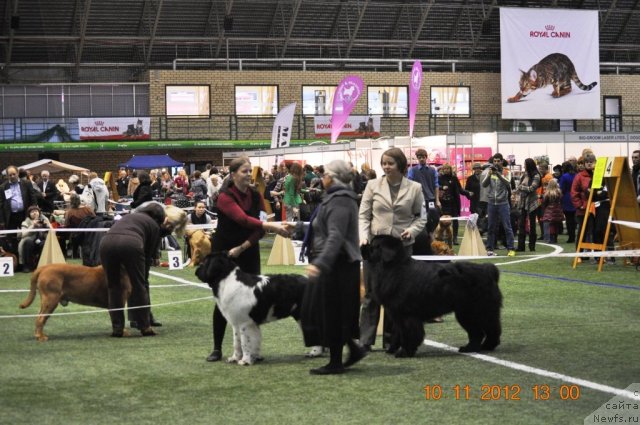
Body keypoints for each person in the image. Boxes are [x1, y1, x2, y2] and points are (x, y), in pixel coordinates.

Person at [206, 156, 294, 362]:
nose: (249, 174)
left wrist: (244, 246)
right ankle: (217, 348)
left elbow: (258, 225)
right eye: (245, 171)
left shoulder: (256, 195)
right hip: (224, 254)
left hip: (247, 250)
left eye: (250, 170)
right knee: (223, 301)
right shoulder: (224, 196)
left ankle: (252, 351)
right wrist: (274, 227)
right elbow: (243, 219)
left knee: (253, 301)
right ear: (233, 173)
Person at [301, 159, 366, 375]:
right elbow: (324, 230)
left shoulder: (340, 200)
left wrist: (320, 264)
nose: (322, 177)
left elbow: (336, 236)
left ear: (334, 177)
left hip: (339, 263)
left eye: (326, 173)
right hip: (335, 262)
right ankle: (351, 350)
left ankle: (336, 362)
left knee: (333, 313)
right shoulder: (334, 198)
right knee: (331, 313)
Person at [359, 148, 426, 352]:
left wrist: (412, 231)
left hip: (401, 249)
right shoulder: (372, 185)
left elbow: (420, 217)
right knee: (371, 294)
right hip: (375, 248)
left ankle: (391, 339)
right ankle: (365, 340)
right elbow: (363, 215)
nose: (386, 167)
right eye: (384, 163)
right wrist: (363, 236)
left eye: (390, 163)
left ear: (401, 165)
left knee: (395, 296)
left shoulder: (415, 188)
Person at [99, 202, 187, 337]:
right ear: (160, 217)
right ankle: (145, 326)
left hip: (106, 243)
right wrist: (143, 277)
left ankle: (117, 328)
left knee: (114, 286)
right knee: (140, 285)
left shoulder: (130, 216)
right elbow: (147, 256)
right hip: (131, 243)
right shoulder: (153, 225)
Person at [0, 165, 39, 258]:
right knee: (11, 239)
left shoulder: (27, 183)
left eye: (14, 174)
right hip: (10, 217)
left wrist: (34, 213)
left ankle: (26, 262)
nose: (12, 176)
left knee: (26, 237)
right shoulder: (2, 187)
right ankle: (15, 260)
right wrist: (1, 221)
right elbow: (0, 205)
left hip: (25, 215)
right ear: (7, 176)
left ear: (17, 173)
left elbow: (33, 199)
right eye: (10, 175)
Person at [482, 154, 516, 257]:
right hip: (492, 202)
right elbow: (484, 184)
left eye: (498, 161)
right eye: (494, 161)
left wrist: (498, 174)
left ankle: (511, 249)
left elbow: (507, 183)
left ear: (502, 161)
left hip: (503, 203)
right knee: (491, 227)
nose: (496, 163)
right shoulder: (490, 171)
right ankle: (490, 249)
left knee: (507, 226)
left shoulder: (506, 172)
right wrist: (489, 174)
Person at [437, 163, 470, 245]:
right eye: (444, 169)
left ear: (450, 169)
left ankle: (454, 238)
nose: (446, 170)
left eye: (447, 169)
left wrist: (468, 193)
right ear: (442, 170)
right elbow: (436, 187)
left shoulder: (454, 178)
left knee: (455, 221)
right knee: (443, 221)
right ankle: (441, 237)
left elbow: (460, 189)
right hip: (443, 203)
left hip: (454, 203)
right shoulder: (439, 178)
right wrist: (442, 187)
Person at [515, 158, 541, 252]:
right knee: (521, 225)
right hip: (523, 202)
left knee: (532, 226)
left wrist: (522, 187)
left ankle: (532, 247)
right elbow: (520, 187)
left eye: (525, 164)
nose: (524, 166)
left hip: (532, 203)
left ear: (529, 165)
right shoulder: (525, 174)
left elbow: (532, 188)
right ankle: (521, 247)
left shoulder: (536, 175)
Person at [18, 205, 51, 272]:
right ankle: (27, 266)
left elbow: (52, 232)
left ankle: (39, 264)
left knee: (45, 243)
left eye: (36, 211)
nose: (35, 213)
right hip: (30, 242)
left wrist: (47, 225)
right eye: (32, 212)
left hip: (40, 241)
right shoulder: (25, 222)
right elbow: (23, 234)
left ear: (39, 213)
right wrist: (33, 226)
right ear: (29, 214)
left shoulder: (44, 220)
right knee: (28, 242)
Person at [63, 192, 96, 258]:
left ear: (71, 202)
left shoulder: (70, 212)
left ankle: (70, 253)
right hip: (88, 234)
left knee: (62, 236)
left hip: (75, 236)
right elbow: (94, 219)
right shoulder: (88, 209)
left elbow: (66, 225)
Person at [541, 179, 564, 244]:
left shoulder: (548, 193)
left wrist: (543, 212)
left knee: (551, 225)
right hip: (558, 210)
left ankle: (551, 238)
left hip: (549, 210)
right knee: (556, 225)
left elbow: (544, 203)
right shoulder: (559, 192)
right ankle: (555, 238)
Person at [559, 161, 577, 243]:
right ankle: (574, 235)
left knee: (568, 219)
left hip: (567, 198)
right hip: (575, 197)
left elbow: (561, 189)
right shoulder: (576, 175)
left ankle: (571, 237)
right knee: (574, 219)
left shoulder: (564, 177)